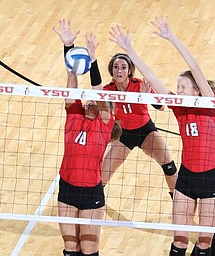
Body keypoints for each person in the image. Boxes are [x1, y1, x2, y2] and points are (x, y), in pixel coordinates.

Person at [108, 16, 215, 256]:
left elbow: (195, 68)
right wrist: (129, 50)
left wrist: (171, 38)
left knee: (205, 243)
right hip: (186, 178)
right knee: (179, 241)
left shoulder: (209, 104)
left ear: (196, 90)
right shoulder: (179, 109)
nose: (178, 91)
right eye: (177, 87)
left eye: (183, 87)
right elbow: (153, 79)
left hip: (210, 179)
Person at [53, 19, 122, 256]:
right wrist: (68, 50)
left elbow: (99, 92)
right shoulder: (74, 116)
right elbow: (72, 88)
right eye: (88, 99)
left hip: (91, 191)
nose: (89, 99)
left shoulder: (104, 124)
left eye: (95, 100)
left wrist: (92, 61)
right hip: (67, 189)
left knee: (90, 248)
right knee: (71, 248)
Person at [100, 52, 177, 198]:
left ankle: (179, 200)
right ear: (112, 71)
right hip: (123, 135)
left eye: (123, 67)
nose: (119, 70)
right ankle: (94, 202)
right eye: (116, 67)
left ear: (129, 71)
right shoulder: (107, 90)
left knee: (168, 164)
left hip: (145, 131)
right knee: (102, 175)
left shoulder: (140, 84)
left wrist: (148, 97)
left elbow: (161, 107)